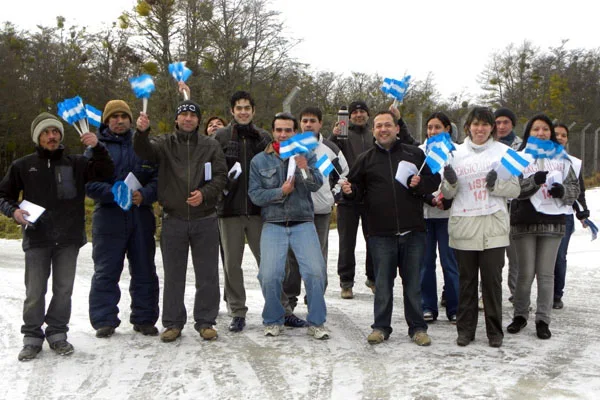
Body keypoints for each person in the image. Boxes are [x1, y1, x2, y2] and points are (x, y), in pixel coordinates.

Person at [0, 112, 114, 361]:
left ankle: (57, 333)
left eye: (55, 132)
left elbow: (106, 173)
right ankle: (31, 337)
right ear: (37, 137)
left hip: (69, 238)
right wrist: (14, 211)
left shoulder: (77, 163)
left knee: (63, 290)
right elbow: (3, 196)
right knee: (35, 291)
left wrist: (98, 147)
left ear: (61, 135)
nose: (51, 136)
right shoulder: (22, 165)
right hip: (37, 238)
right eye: (46, 133)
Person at [341, 111, 440, 346]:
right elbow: (356, 190)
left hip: (413, 231)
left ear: (397, 128)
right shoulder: (365, 159)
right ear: (373, 130)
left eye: (387, 125)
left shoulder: (415, 154)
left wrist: (421, 184)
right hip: (380, 233)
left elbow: (433, 181)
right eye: (378, 126)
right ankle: (381, 327)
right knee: (383, 284)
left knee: (413, 284)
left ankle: (417, 328)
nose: (383, 129)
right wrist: (350, 191)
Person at [134, 100, 227, 342]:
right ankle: (173, 323)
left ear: (198, 120)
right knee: (174, 275)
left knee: (207, 274)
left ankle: (206, 321)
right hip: (173, 219)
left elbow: (220, 176)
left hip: (205, 219)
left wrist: (205, 194)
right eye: (183, 115)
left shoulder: (211, 145)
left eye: (192, 115)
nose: (188, 119)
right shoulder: (164, 143)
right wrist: (142, 132)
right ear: (176, 119)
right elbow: (144, 151)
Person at [441, 106, 520, 348]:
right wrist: (451, 183)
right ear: (468, 127)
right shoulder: (454, 153)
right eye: (476, 124)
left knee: (492, 283)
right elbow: (446, 193)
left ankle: (494, 332)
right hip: (464, 225)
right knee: (466, 282)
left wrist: (496, 186)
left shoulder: (504, 153)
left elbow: (515, 190)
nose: (480, 129)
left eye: (485, 124)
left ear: (492, 128)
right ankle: (465, 331)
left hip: (493, 227)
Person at [248, 112, 330, 340]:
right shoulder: (259, 160)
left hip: (303, 222)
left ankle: (317, 322)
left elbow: (316, 185)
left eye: (288, 130)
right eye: (279, 130)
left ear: (295, 133)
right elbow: (255, 195)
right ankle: (274, 319)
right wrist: (279, 192)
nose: (283, 134)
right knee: (269, 275)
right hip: (273, 223)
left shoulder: (307, 154)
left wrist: (304, 168)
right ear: (273, 131)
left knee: (315, 272)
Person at [86, 100, 160, 338]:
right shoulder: (95, 148)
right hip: (109, 216)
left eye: (124, 117)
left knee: (144, 269)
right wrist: (112, 194)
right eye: (114, 117)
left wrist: (145, 195)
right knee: (106, 270)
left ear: (130, 119)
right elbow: (87, 183)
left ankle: (145, 318)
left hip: (140, 215)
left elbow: (159, 178)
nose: (119, 121)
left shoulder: (144, 144)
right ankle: (104, 320)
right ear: (107, 121)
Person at [507, 114, 579, 340]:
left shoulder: (564, 160)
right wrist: (532, 182)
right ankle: (520, 315)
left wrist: (563, 192)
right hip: (524, 221)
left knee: (546, 275)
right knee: (525, 273)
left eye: (545, 129)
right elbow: (512, 189)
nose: (541, 133)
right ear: (528, 132)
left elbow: (575, 188)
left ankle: (543, 319)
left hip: (553, 222)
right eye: (536, 129)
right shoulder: (518, 157)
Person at [282, 106, 349, 324]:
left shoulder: (330, 149)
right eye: (305, 121)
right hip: (295, 210)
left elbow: (343, 175)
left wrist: (334, 196)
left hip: (320, 212)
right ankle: (289, 299)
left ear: (320, 123)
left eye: (312, 121)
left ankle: (315, 299)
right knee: (292, 258)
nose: (308, 124)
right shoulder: (290, 146)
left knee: (316, 258)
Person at [213, 91, 271, 332]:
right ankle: (237, 310)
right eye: (239, 108)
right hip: (230, 210)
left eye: (247, 107)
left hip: (259, 211)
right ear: (232, 111)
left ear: (253, 111)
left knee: (268, 263)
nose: (243, 112)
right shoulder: (221, 136)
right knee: (232, 265)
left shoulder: (264, 137)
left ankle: (277, 307)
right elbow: (213, 171)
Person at [330, 100, 376, 298]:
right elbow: (329, 151)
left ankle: (373, 278)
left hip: (370, 194)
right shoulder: (342, 133)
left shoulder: (373, 133)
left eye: (362, 112)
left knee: (373, 240)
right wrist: (333, 135)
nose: (358, 115)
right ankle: (346, 281)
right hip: (347, 193)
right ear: (349, 116)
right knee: (346, 242)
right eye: (355, 112)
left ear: (367, 115)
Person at [419, 112, 459, 323]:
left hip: (449, 215)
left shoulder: (457, 152)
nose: (433, 132)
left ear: (447, 129)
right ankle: (427, 306)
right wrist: (428, 198)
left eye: (438, 127)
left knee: (450, 262)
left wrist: (449, 200)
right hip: (425, 215)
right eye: (430, 128)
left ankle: (454, 306)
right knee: (425, 263)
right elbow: (412, 181)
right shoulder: (419, 152)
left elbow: (462, 182)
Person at [553, 123, 590, 309]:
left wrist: (582, 213)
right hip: (541, 216)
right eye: (556, 134)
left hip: (564, 215)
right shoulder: (536, 159)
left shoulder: (573, 162)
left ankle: (556, 295)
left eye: (564, 135)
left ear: (567, 139)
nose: (560, 137)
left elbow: (579, 190)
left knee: (559, 257)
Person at [494, 107, 522, 303]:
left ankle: (517, 293)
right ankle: (485, 293)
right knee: (492, 257)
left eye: (506, 122)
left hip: (515, 208)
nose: (501, 126)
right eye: (498, 122)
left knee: (515, 257)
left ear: (512, 124)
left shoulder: (521, 147)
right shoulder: (488, 145)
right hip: (493, 206)